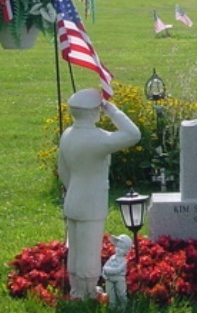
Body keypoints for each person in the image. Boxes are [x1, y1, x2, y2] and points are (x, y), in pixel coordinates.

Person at [57, 89, 141, 299]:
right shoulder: (97, 139)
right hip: (91, 201)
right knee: (88, 249)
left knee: (76, 247)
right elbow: (133, 135)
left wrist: (72, 189)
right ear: (95, 112)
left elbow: (63, 171)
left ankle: (77, 288)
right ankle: (88, 292)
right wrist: (112, 110)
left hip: (73, 197)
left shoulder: (67, 135)